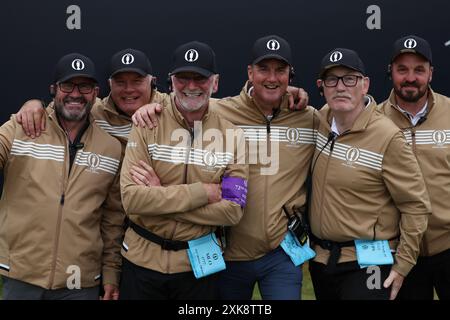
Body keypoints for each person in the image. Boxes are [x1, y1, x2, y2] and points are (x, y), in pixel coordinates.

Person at [131, 35, 317, 300]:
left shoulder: (308, 118)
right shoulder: (221, 111)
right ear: (250, 73)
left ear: (291, 75)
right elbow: (184, 97)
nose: (272, 78)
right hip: (226, 253)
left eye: (281, 71)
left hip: (281, 253)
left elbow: (344, 116)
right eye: (264, 69)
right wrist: (150, 107)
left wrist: (163, 202)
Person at [119, 41, 249, 299]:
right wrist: (202, 192)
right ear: (171, 81)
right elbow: (132, 200)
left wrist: (160, 196)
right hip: (141, 263)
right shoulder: (146, 123)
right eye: (183, 78)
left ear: (215, 82)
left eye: (200, 78)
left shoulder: (233, 135)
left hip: (198, 269)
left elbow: (233, 210)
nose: (191, 86)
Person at [308, 48, 431, 300]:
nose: (340, 87)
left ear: (365, 85)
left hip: (368, 265)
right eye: (332, 80)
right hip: (322, 260)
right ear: (322, 87)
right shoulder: (316, 121)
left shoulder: (388, 136)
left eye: (349, 79)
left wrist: (404, 264)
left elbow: (416, 205)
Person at [0, 53, 124, 300]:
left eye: (85, 86)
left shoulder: (111, 147)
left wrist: (111, 273)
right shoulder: (22, 127)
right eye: (67, 85)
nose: (76, 94)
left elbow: (112, 220)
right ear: (54, 89)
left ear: (96, 92)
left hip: (79, 280)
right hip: (22, 273)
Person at [378, 35, 450, 300]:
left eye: (419, 70)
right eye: (402, 70)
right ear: (390, 72)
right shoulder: (374, 120)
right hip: (401, 253)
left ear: (431, 73)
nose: (411, 77)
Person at [15, 48, 164, 154]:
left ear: (153, 82)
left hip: (153, 195)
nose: (128, 89)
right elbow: (64, 104)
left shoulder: (170, 109)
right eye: (120, 82)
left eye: (137, 81)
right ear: (110, 84)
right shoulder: (95, 110)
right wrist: (34, 104)